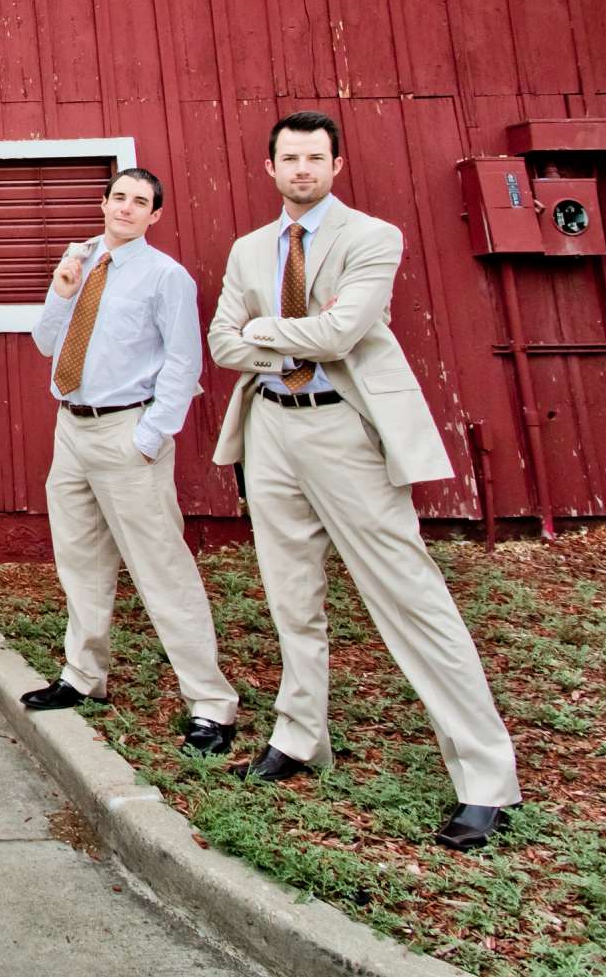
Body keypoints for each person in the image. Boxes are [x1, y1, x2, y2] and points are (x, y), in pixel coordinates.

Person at [209, 110, 520, 850]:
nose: (302, 169)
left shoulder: (372, 238)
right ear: (270, 168)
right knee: (291, 596)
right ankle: (298, 735)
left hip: (343, 428)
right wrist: (271, 338)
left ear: (336, 165)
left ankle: (485, 780)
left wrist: (261, 332)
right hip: (271, 428)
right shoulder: (250, 250)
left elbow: (343, 333)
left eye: (316, 157)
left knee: (408, 596)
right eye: (289, 158)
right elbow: (223, 342)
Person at [25, 167, 242, 757]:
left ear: (155, 215)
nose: (125, 207)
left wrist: (150, 437)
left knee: (160, 567)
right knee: (79, 559)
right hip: (71, 428)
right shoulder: (81, 261)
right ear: (103, 202)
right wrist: (60, 291)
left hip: (127, 429)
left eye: (139, 201)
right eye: (118, 197)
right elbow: (47, 343)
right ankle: (83, 675)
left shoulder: (164, 277)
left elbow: (183, 362)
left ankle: (210, 704)